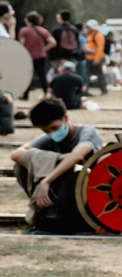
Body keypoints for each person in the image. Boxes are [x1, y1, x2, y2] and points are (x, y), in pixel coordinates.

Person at [11, 96, 104, 232]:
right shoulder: (49, 138)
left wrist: (46, 181)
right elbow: (17, 154)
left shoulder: (87, 132)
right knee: (21, 166)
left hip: (87, 190)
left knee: (73, 169)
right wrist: (58, 157)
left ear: (65, 118)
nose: (52, 133)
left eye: (54, 128)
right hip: (58, 189)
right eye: (46, 131)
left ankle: (64, 215)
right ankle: (44, 209)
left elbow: (77, 156)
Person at [19, 11, 53, 94]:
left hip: (28, 56)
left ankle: (25, 95)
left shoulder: (24, 30)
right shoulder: (43, 31)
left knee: (27, 76)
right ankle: (46, 92)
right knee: (42, 75)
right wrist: (43, 49)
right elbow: (53, 42)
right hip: (40, 56)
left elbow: (21, 44)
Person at [82, 20, 108, 93]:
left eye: (89, 26)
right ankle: (86, 91)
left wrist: (97, 59)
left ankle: (104, 90)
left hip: (97, 58)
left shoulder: (99, 35)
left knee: (99, 74)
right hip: (88, 58)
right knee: (86, 75)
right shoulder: (89, 35)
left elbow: (100, 48)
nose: (87, 28)